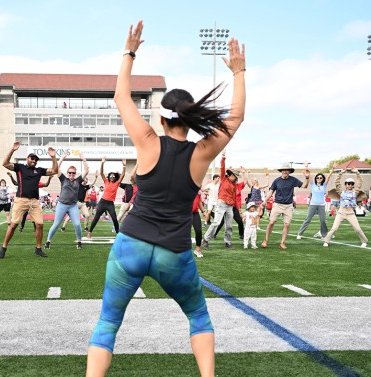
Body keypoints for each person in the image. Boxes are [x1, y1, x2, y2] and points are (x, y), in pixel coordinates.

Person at [86, 21, 245, 377]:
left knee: (108, 323)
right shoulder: (202, 153)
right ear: (189, 120)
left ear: (161, 116)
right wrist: (239, 72)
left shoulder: (147, 139)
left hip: (131, 246)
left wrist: (130, 52)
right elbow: (235, 118)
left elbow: (120, 97)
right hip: (174, 253)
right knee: (199, 316)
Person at [0, 143, 58, 259]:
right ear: (27, 159)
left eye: (36, 160)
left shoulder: (39, 170)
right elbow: (5, 163)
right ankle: (4, 247)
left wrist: (53, 157)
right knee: (14, 224)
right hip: (21, 200)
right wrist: (12, 150)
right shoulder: (20, 167)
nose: (34, 161)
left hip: (35, 201)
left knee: (40, 224)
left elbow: (54, 170)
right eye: (32, 159)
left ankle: (38, 249)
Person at [44, 152, 89, 250]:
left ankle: (79, 241)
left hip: (73, 205)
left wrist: (84, 159)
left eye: (73, 172)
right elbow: (56, 169)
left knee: (77, 224)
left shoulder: (78, 180)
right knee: (56, 224)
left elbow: (86, 170)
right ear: (67, 173)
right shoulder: (63, 179)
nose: (71, 174)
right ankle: (48, 241)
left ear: (75, 173)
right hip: (62, 205)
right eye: (70, 172)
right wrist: (62, 157)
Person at [261, 163, 310, 249]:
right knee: (271, 222)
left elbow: (305, 186)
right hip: (277, 204)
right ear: (281, 171)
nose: (285, 172)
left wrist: (307, 177)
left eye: (286, 170)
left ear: (289, 171)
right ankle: (266, 240)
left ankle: (282, 242)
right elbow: (271, 192)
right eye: (283, 170)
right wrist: (265, 201)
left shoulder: (293, 180)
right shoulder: (276, 181)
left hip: (288, 206)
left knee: (287, 225)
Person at [200, 150, 239, 249]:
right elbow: (222, 167)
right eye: (234, 176)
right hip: (221, 203)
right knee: (216, 223)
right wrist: (223, 156)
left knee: (229, 225)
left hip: (230, 206)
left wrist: (238, 209)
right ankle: (205, 239)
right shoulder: (224, 178)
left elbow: (234, 197)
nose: (235, 177)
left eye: (236, 176)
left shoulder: (234, 185)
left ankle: (227, 241)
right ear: (230, 175)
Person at [323, 168, 368, 247]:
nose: (350, 185)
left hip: (350, 213)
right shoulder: (341, 191)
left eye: (351, 183)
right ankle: (326, 241)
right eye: (348, 183)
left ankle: (364, 241)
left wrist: (357, 172)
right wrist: (341, 173)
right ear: (345, 184)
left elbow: (360, 182)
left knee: (357, 229)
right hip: (341, 212)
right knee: (334, 228)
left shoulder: (355, 191)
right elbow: (337, 183)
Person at [86, 158, 126, 239]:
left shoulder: (117, 183)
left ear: (115, 177)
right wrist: (102, 163)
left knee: (114, 218)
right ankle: (90, 232)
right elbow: (101, 173)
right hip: (102, 202)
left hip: (110, 204)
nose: (112, 177)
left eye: (113, 176)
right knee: (96, 217)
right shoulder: (106, 181)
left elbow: (123, 175)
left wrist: (124, 165)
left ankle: (118, 233)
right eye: (110, 176)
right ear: (109, 177)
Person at [296, 168, 334, 240]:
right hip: (313, 204)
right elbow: (308, 175)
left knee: (323, 220)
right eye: (317, 177)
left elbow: (328, 177)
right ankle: (299, 234)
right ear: (316, 179)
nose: (319, 179)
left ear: (322, 179)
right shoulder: (313, 184)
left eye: (320, 178)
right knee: (308, 219)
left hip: (322, 205)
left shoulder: (324, 185)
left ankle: (324, 235)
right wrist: (306, 167)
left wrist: (332, 171)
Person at [192, 189, 206, 257]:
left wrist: (203, 211)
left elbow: (199, 201)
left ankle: (197, 249)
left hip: (195, 213)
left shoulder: (198, 188)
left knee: (198, 231)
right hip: (183, 213)